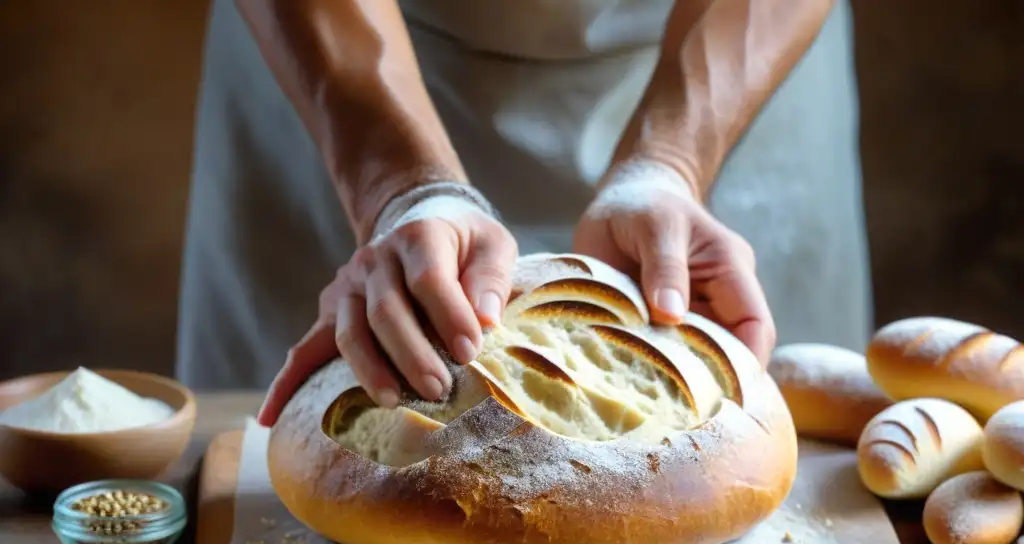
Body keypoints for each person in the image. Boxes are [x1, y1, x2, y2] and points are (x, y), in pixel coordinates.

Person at [175, 0, 871, 427]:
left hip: (738, 53)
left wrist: (673, 165)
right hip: (347, 55)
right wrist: (399, 188)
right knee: (329, 446)